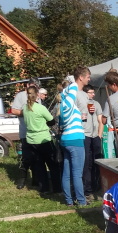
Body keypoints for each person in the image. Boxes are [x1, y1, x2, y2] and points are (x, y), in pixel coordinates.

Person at [60, 68, 90, 207]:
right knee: (77, 174)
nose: (89, 79)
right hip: (75, 139)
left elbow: (62, 123)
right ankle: (82, 201)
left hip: (65, 139)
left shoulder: (63, 104)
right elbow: (73, 89)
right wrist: (74, 83)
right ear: (81, 77)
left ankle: (69, 200)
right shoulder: (70, 100)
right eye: (88, 76)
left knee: (67, 173)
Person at [22, 84, 57, 195]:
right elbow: (52, 121)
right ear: (37, 95)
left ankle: (44, 188)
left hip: (31, 139)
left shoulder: (25, 108)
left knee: (39, 165)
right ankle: (57, 188)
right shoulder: (40, 108)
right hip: (43, 139)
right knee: (52, 164)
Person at [81, 84, 103, 200]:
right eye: (91, 92)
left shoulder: (97, 104)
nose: (93, 95)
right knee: (87, 162)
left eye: (94, 92)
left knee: (97, 161)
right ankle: (87, 189)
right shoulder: (81, 104)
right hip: (85, 135)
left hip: (95, 136)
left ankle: (97, 187)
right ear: (85, 93)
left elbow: (100, 120)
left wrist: (99, 135)